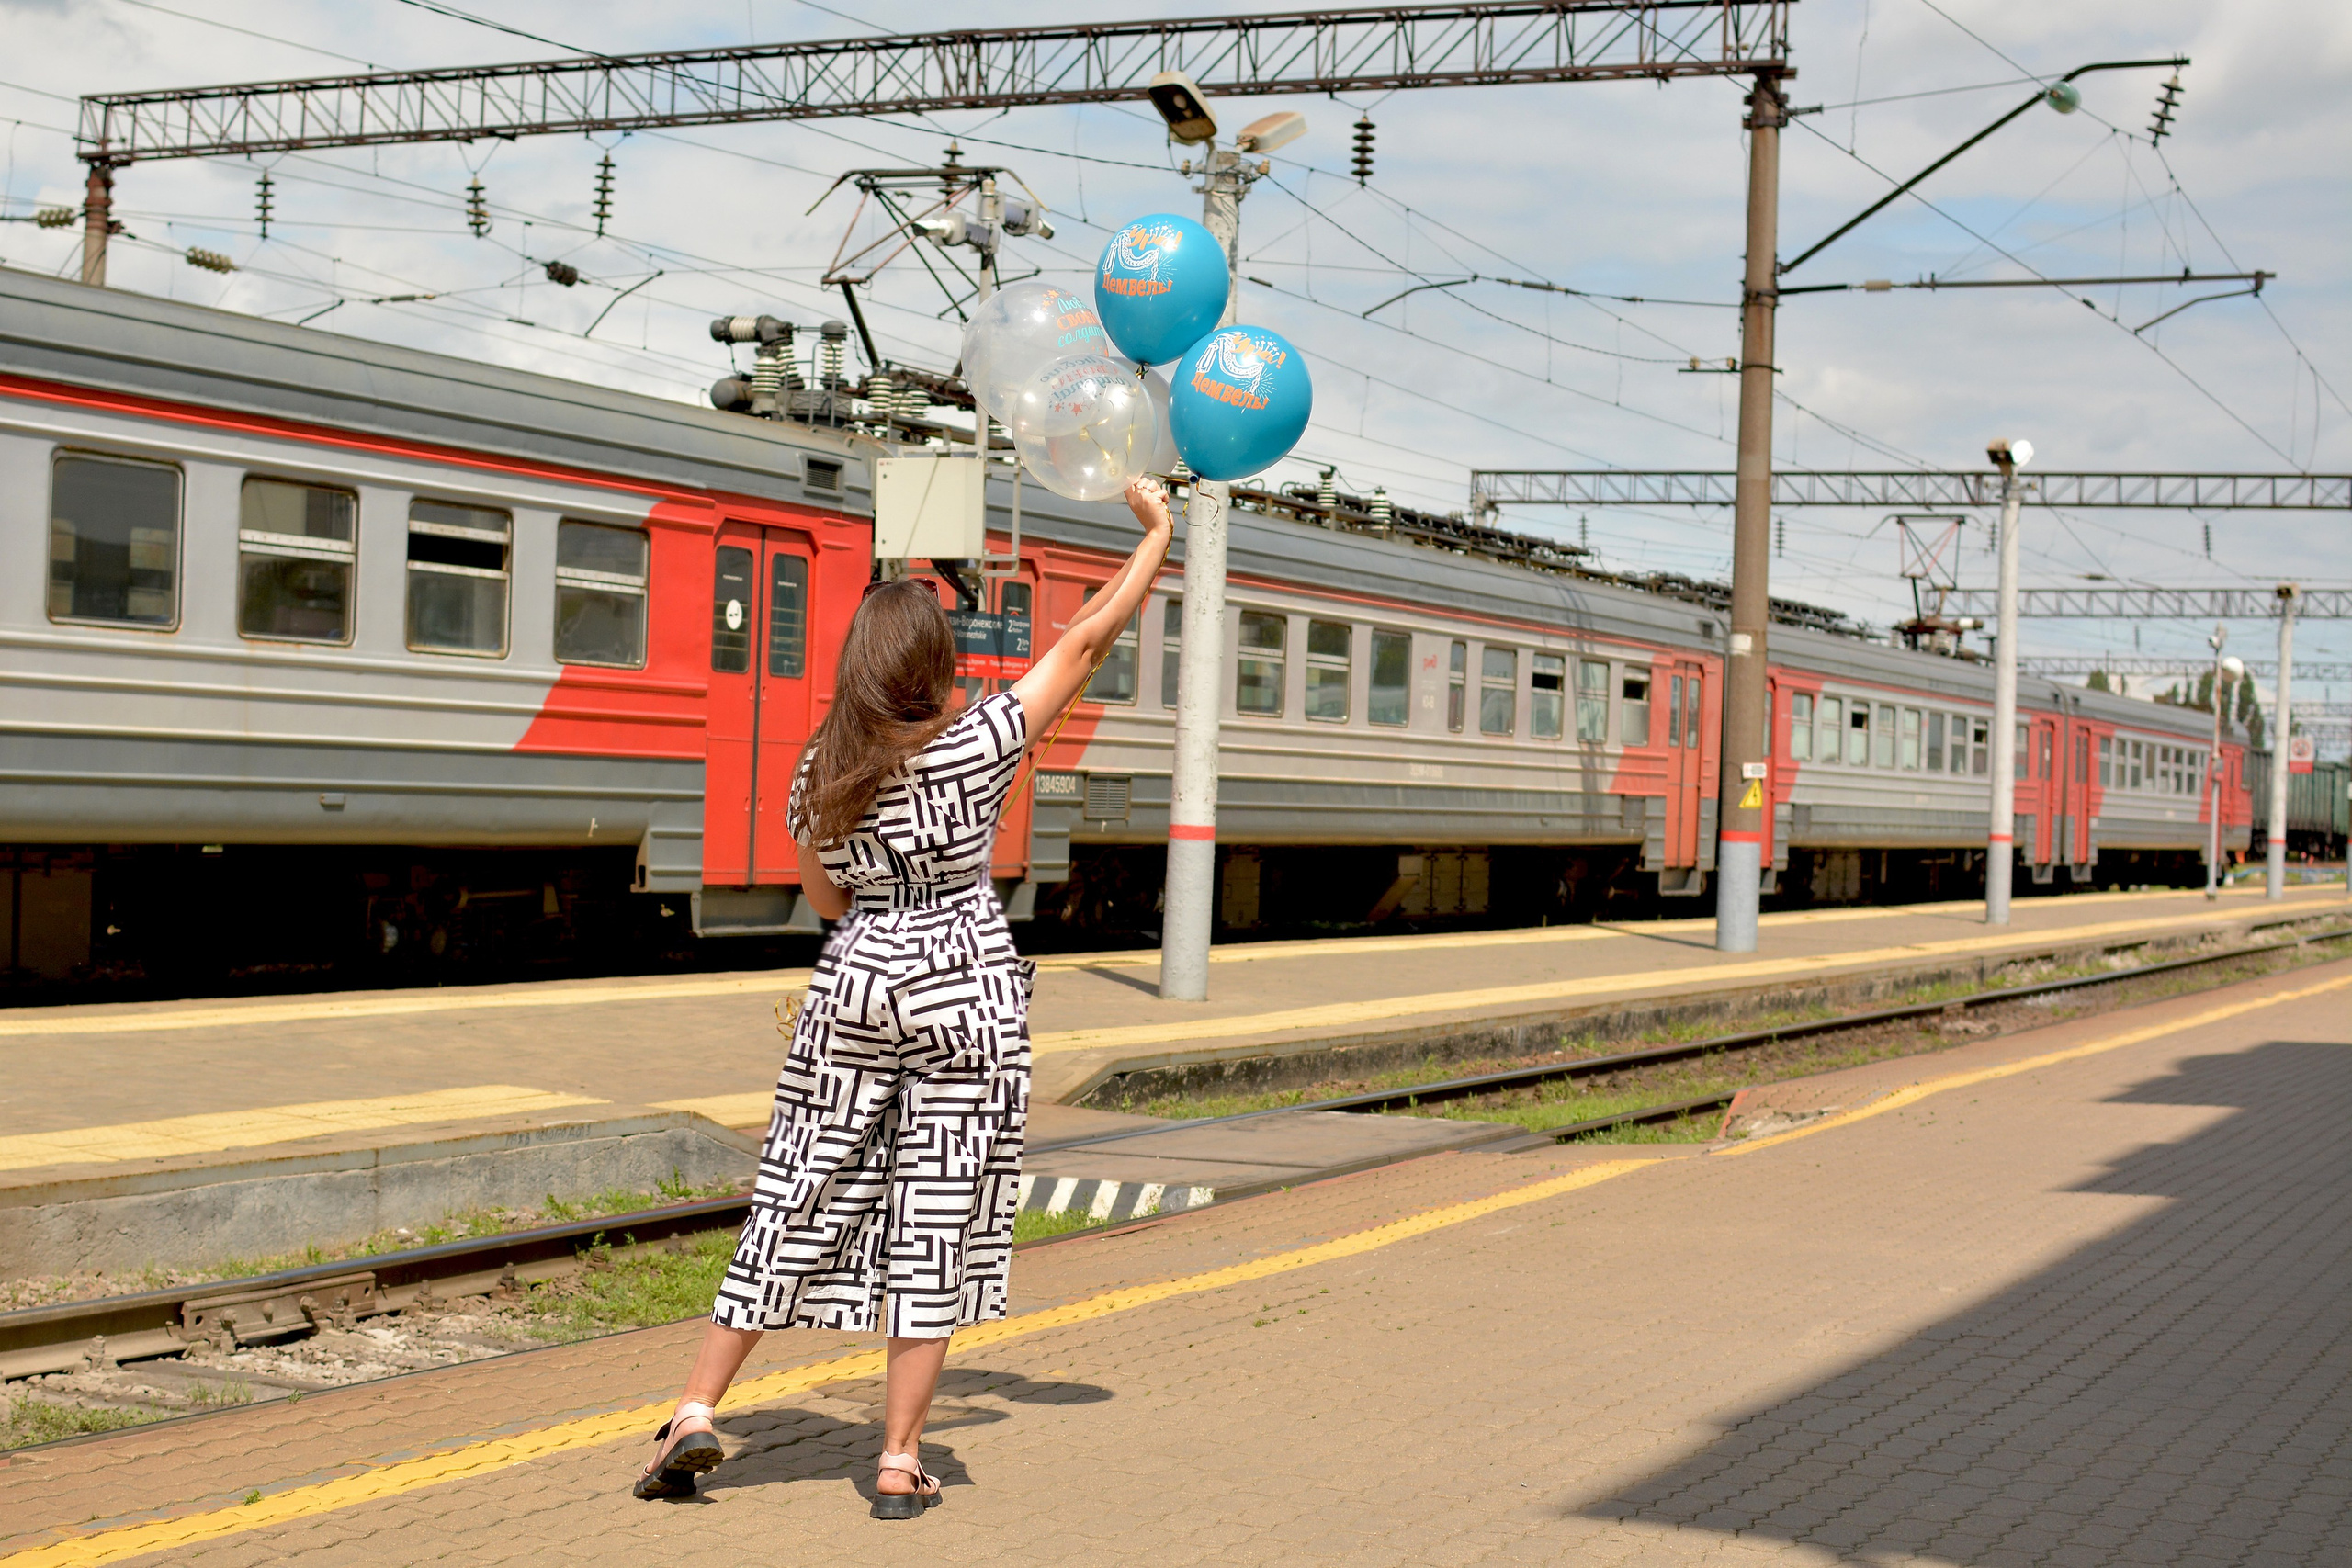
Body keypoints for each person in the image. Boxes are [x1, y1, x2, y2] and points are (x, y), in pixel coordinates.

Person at [634, 475, 1174, 1518]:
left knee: (794, 1192)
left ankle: (697, 1410)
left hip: (856, 983)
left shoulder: (817, 768)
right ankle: (896, 1462)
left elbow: (824, 893)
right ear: (937, 666)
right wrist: (1156, 532)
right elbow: (1090, 636)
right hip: (964, 988)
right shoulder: (980, 742)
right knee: (937, 1212)